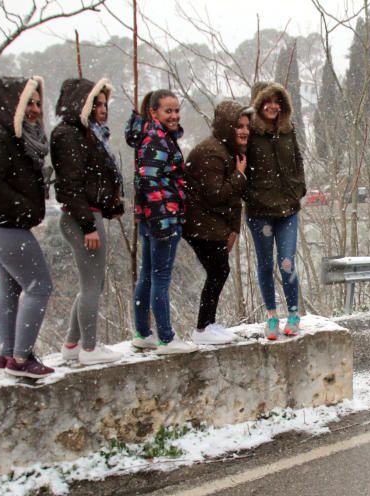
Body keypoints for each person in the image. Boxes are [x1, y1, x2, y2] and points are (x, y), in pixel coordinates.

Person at [0, 76, 55, 379]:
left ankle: (7, 353)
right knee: (40, 286)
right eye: (27, 103)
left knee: (9, 288)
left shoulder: (19, 135)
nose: (34, 109)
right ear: (11, 105)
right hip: (3, 227)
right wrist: (27, 208)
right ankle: (22, 358)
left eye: (37, 103)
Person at [51, 77, 125, 365]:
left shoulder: (86, 134)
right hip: (82, 218)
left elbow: (93, 181)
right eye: (98, 104)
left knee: (90, 283)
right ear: (84, 104)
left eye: (106, 104)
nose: (104, 109)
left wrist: (110, 207)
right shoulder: (71, 135)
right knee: (93, 286)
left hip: (88, 215)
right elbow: (71, 185)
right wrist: (88, 225)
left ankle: (72, 343)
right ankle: (90, 349)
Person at [124, 89, 196, 354]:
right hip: (162, 218)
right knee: (159, 277)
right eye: (168, 110)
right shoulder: (156, 138)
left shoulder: (156, 135)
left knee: (147, 275)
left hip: (154, 218)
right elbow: (148, 181)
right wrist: (162, 221)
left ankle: (143, 332)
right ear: (154, 113)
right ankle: (166, 337)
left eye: (177, 110)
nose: (174, 115)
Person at [183, 101, 251, 345]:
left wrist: (233, 229)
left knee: (219, 271)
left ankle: (208, 324)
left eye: (246, 126)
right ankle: (202, 328)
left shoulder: (228, 150)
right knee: (219, 271)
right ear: (226, 126)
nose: (244, 131)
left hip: (210, 225)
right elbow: (217, 194)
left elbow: (233, 199)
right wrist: (239, 175)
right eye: (238, 126)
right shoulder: (212, 152)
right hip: (200, 226)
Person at [243, 81, 307, 341]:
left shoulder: (287, 128)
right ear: (258, 103)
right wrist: (250, 194)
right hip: (260, 211)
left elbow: (298, 159)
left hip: (288, 209)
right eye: (267, 101)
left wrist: (298, 188)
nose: (272, 106)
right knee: (265, 265)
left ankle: (293, 313)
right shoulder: (249, 132)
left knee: (287, 262)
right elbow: (239, 164)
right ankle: (272, 316)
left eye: (277, 101)